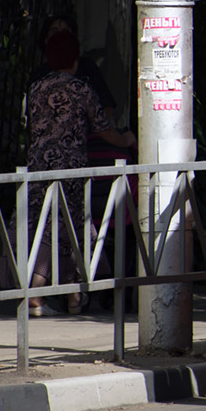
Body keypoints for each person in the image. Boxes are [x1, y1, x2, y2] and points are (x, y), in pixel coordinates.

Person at [24, 29, 136, 316]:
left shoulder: (36, 88)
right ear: (74, 59)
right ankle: (40, 294)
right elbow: (103, 128)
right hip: (71, 169)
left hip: (39, 166)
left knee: (50, 230)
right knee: (71, 230)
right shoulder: (81, 89)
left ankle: (73, 295)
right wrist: (126, 141)